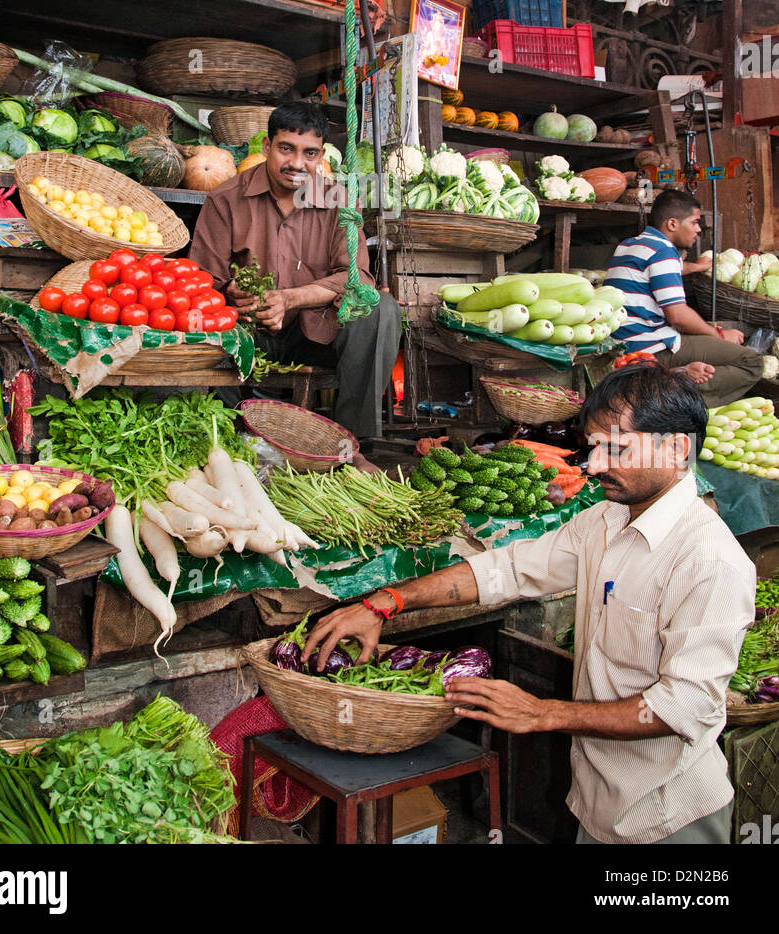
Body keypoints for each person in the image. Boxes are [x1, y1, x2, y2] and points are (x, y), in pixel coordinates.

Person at [303, 362, 756, 845]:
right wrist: (386, 601)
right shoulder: (606, 520)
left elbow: (683, 706)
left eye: (616, 448)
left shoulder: (710, 560)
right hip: (596, 802)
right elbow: (510, 569)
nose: (596, 465)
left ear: (677, 449)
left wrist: (545, 714)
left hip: (669, 815)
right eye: (595, 447)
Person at [189, 101, 401, 451]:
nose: (297, 164)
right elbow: (202, 280)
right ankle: (223, 436)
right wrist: (231, 292)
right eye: (286, 149)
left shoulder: (339, 201)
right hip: (248, 335)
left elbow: (357, 280)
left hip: (315, 337)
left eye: (310, 153)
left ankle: (349, 442)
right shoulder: (225, 199)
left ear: (320, 156)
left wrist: (290, 298)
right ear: (267, 147)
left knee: (380, 308)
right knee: (200, 320)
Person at [604, 187, 777, 406]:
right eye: (694, 222)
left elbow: (671, 268)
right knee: (750, 362)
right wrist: (719, 335)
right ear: (673, 224)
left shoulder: (631, 245)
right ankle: (668, 400)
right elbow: (678, 316)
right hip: (648, 345)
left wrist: (696, 267)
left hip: (621, 341)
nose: (698, 230)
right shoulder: (663, 252)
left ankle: (669, 384)